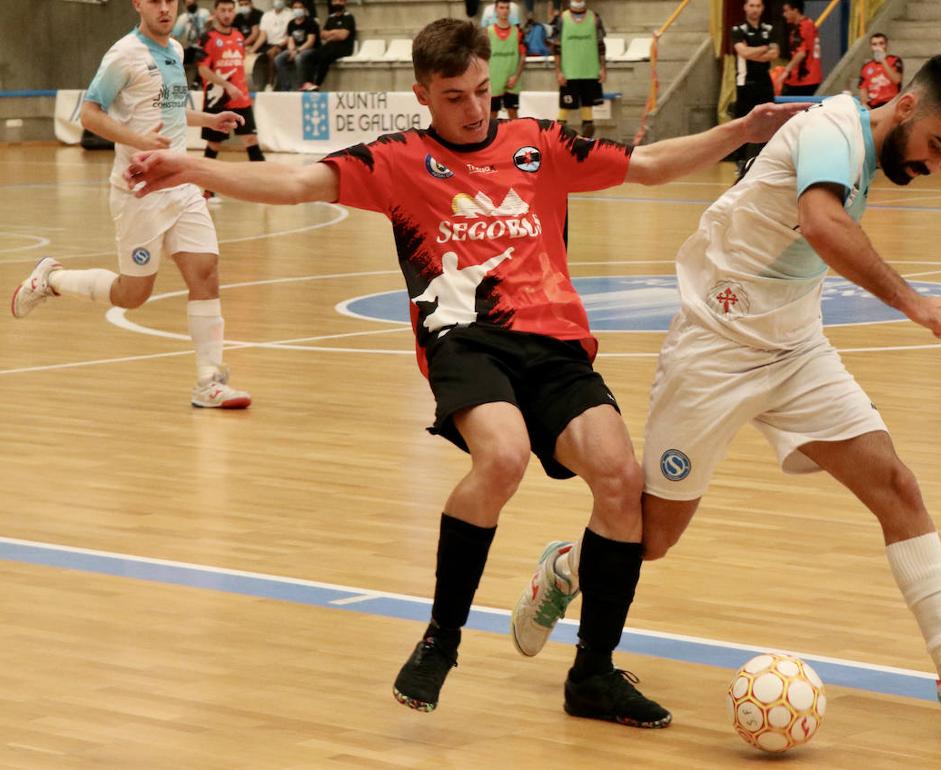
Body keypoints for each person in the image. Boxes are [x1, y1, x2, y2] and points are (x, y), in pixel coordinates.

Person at [124, 17, 805, 728]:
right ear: (423, 95)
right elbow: (296, 181)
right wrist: (195, 167)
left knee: (621, 482)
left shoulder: (538, 144)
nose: (475, 109)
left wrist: (744, 128)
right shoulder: (397, 160)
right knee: (503, 456)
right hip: (467, 342)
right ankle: (441, 640)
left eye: (483, 90)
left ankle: (593, 675)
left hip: (556, 347)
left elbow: (649, 165)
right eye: (455, 97)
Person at [511, 53, 941, 727]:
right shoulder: (831, 129)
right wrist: (912, 302)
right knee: (651, 538)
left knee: (897, 485)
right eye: (938, 146)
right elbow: (822, 225)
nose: (935, 165)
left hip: (796, 351)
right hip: (715, 349)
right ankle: (566, 567)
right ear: (905, 106)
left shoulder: (866, 151)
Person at [10, 0, 251, 410]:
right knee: (133, 293)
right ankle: (51, 280)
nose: (164, 8)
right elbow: (88, 114)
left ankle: (209, 381)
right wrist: (138, 141)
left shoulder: (174, 50)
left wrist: (209, 121)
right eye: (154, 0)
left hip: (180, 182)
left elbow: (170, 109)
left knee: (205, 271)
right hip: (137, 191)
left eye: (170, 1)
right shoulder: (123, 55)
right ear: (138, 4)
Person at [199, 0, 266, 203]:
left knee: (251, 142)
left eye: (230, 10)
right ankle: (207, 190)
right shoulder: (208, 38)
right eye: (223, 10)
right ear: (215, 12)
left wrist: (240, 89)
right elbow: (203, 70)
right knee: (214, 144)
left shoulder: (238, 37)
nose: (227, 14)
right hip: (217, 99)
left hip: (241, 100)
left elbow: (238, 68)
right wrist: (226, 85)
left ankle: (266, 187)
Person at [731, 0, 780, 174]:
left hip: (765, 83)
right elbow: (743, 52)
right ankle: (740, 159)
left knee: (770, 121)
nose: (755, 9)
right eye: (751, 5)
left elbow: (774, 54)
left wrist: (754, 52)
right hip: (745, 83)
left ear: (762, 9)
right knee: (743, 122)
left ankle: (766, 159)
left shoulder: (769, 29)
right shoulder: (738, 29)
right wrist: (764, 49)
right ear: (745, 7)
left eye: (758, 6)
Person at [552, 0, 607, 138]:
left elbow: (601, 45)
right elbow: (556, 48)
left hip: (590, 72)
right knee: (563, 114)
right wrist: (558, 71)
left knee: (588, 120)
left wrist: (602, 68)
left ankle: (586, 147)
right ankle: (557, 146)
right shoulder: (561, 19)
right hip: (569, 74)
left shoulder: (595, 18)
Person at [487, 1, 526, 120]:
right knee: (492, 116)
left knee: (513, 115)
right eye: (501, 7)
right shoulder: (488, 32)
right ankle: (492, 139)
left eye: (507, 8)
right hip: (493, 82)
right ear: (496, 10)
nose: (504, 10)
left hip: (512, 81)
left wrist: (516, 76)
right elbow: (482, 57)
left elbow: (523, 56)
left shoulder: (517, 32)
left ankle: (516, 139)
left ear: (510, 10)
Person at [311, 0, 357, 90]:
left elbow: (343, 36)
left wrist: (330, 34)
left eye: (339, 1)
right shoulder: (331, 18)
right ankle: (308, 82)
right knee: (313, 55)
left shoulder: (348, 17)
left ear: (344, 2)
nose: (337, 3)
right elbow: (322, 35)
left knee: (325, 56)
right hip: (331, 45)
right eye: (335, 1)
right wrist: (336, 32)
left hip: (344, 47)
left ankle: (316, 84)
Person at [275, 0, 320, 91]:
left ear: (304, 9)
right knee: (278, 59)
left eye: (300, 7)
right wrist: (292, 51)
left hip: (311, 49)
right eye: (295, 8)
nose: (297, 10)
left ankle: (302, 85)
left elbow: (310, 42)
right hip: (296, 49)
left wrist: (297, 51)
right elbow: (290, 40)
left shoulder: (311, 22)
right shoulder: (291, 23)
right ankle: (285, 86)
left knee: (298, 58)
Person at [780, 0, 821, 96]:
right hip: (810, 77)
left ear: (795, 10)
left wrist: (786, 71)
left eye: (786, 11)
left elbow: (801, 53)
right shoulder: (808, 24)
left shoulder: (802, 27)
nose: (784, 14)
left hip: (803, 79)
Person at [253, 0, 294, 92]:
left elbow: (290, 36)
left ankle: (270, 83)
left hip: (284, 44)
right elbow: (263, 36)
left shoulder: (291, 14)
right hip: (269, 44)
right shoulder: (267, 15)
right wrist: (252, 50)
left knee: (272, 53)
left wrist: (279, 45)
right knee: (255, 55)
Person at [857, 33, 902, 109]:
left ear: (886, 45)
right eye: (874, 44)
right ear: (871, 47)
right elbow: (863, 90)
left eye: (881, 43)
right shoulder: (866, 66)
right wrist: (865, 105)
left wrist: (883, 60)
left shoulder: (894, 60)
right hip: (873, 106)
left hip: (891, 104)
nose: (878, 47)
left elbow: (897, 80)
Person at [173, 0, 212, 86]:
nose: (191, 4)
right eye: (188, 3)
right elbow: (174, 35)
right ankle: (191, 82)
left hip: (206, 44)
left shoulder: (205, 13)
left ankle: (198, 80)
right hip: (192, 47)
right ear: (185, 4)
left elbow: (211, 27)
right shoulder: (183, 18)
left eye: (192, 2)